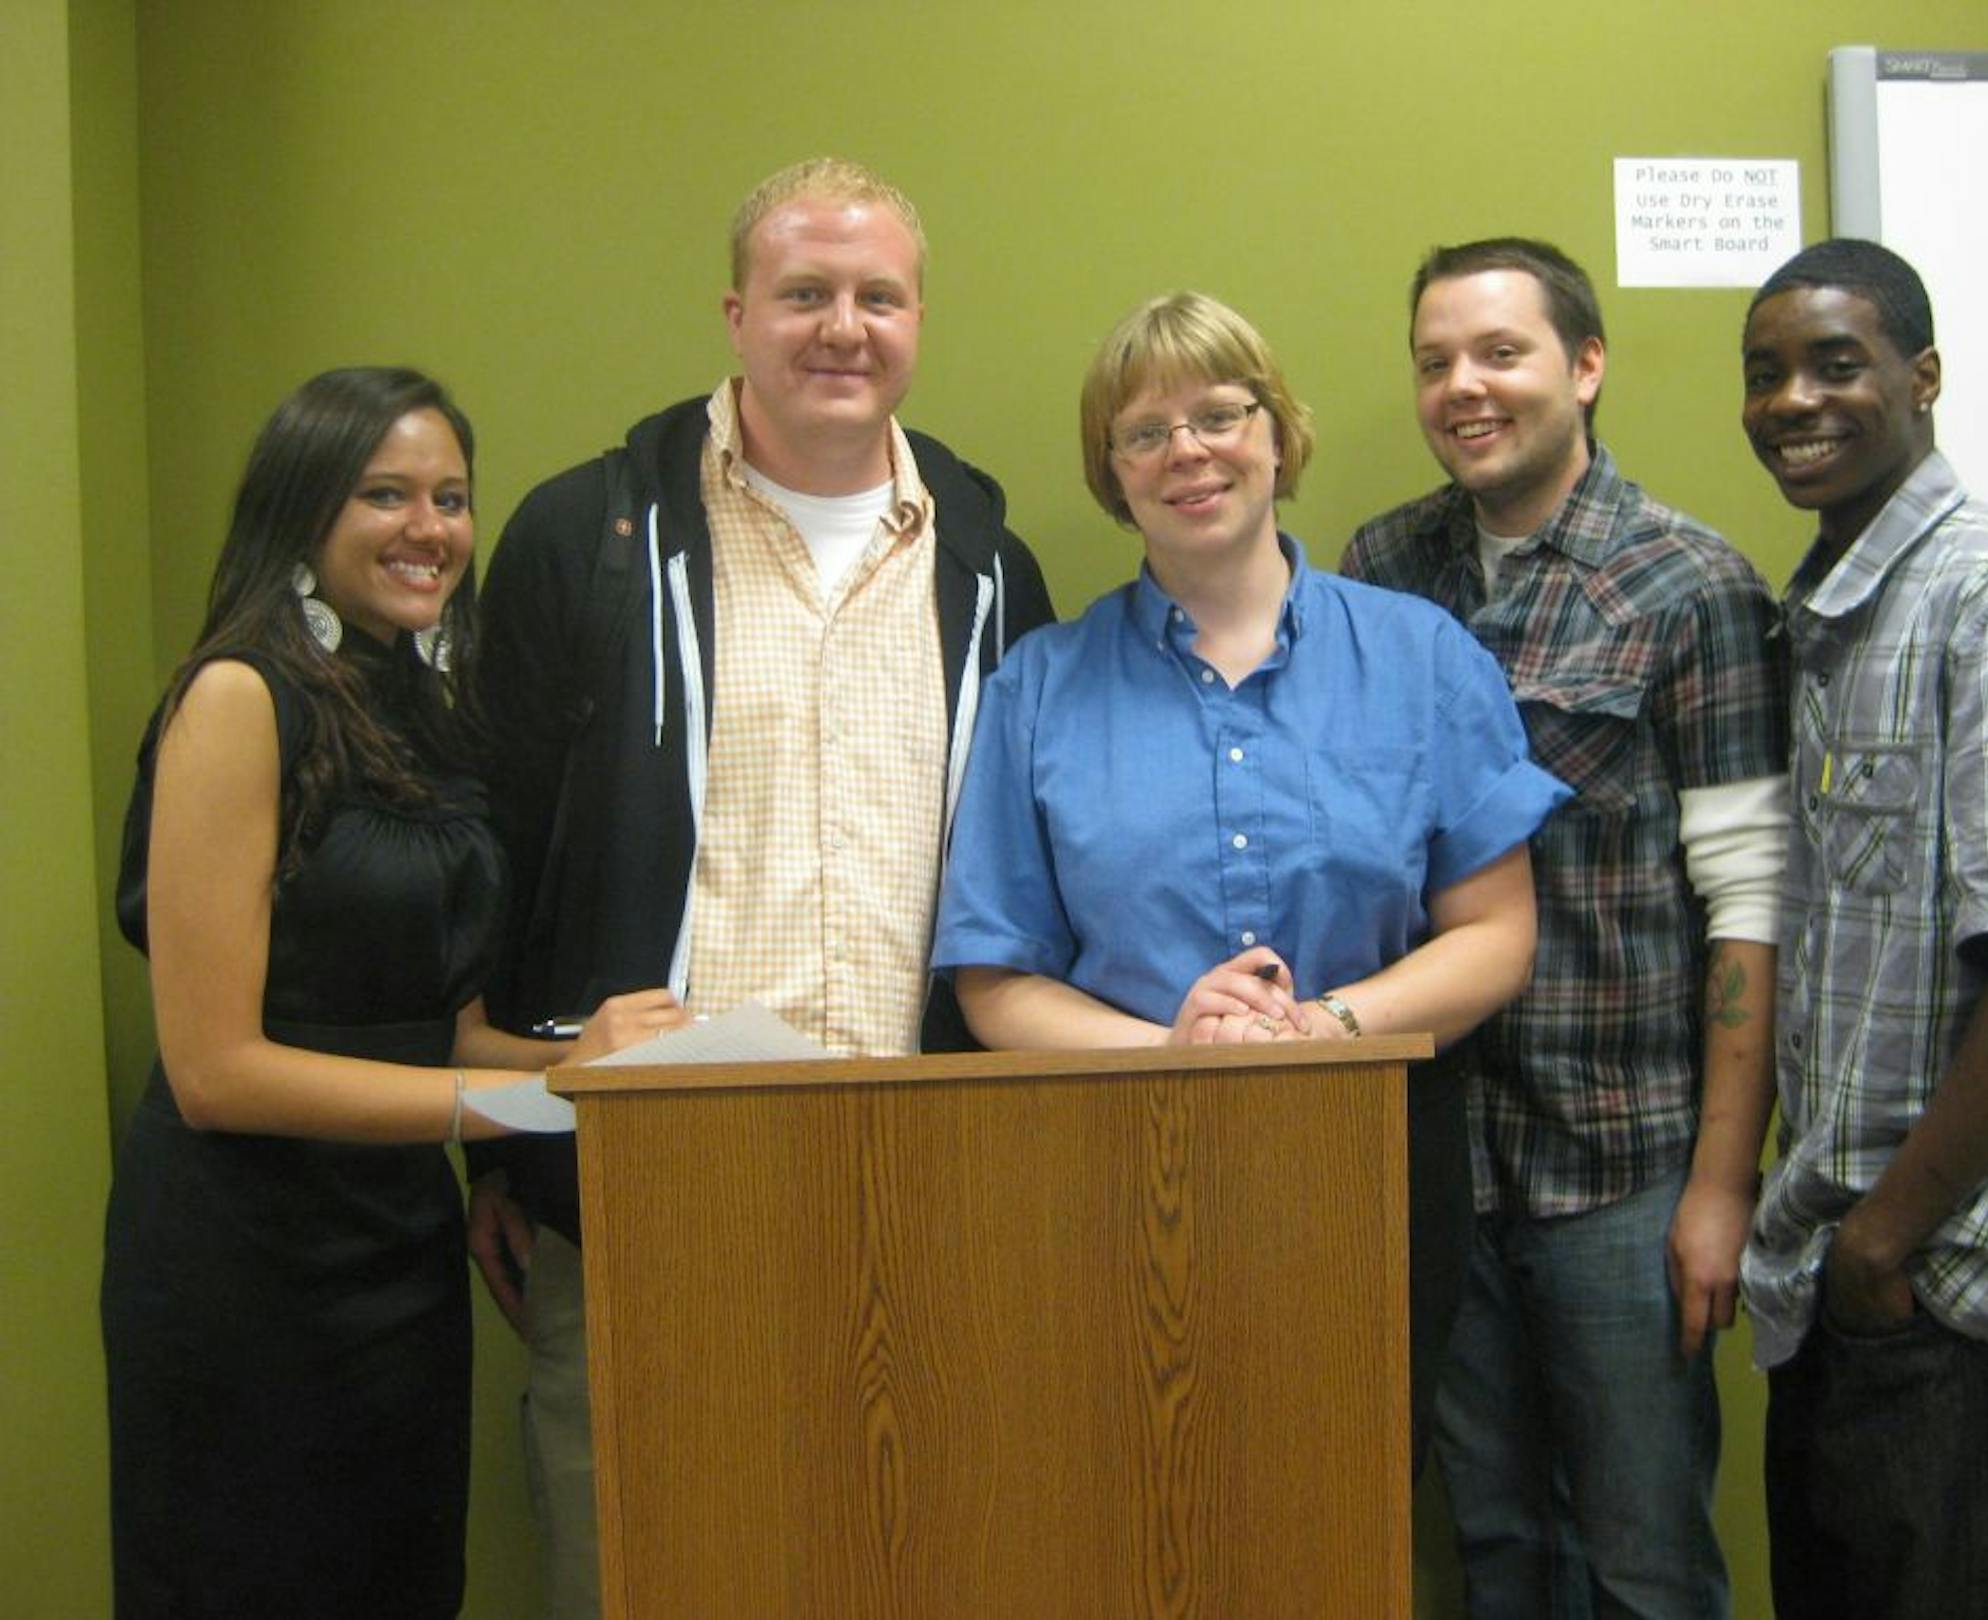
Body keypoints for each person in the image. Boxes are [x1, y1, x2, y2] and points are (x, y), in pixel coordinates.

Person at [466, 158, 1054, 1619]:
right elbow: (492, 855)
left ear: (920, 318)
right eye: (804, 294)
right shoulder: (583, 539)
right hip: (650, 1190)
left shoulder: (986, 563)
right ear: (737, 315)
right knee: (643, 1574)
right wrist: (498, 1141)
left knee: (916, 1567)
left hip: (928, 1193)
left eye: (876, 296)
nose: (840, 327)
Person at [932, 290, 1569, 1471]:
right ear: (1110, 473)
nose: (1188, 452)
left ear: (1278, 433)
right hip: (1117, 1168)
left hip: (1373, 1158)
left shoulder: (1421, 655)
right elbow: (995, 982)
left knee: (1344, 1500)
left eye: (1220, 414)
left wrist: (1325, 1026)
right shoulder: (1040, 686)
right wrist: (1176, 1051)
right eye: (1144, 432)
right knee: (1137, 1499)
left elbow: (1495, 935)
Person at [99, 367, 682, 1619]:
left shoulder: (421, 709)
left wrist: (583, 1063)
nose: (432, 530)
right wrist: (509, 1112)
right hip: (243, 1262)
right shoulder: (237, 697)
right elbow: (216, 1074)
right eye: (386, 494)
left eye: (452, 498)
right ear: (301, 509)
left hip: (396, 1250)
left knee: (399, 1577)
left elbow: (449, 1026)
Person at [1342, 238, 1787, 1617]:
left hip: (1624, 1166)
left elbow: (1751, 909)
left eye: (1500, 353)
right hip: (1438, 1159)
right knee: (1495, 1555)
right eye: (1435, 363)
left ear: (1585, 368)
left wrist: (1721, 1187)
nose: (1464, 387)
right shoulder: (1382, 571)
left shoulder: (1689, 586)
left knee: (1642, 1562)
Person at [1737, 237, 1988, 1620]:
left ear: (1923, 378)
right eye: (1767, 373)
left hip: (1956, 1295)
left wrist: (1885, 1244)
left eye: (1836, 364)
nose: (1795, 400)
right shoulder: (1840, 607)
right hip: (1849, 1292)